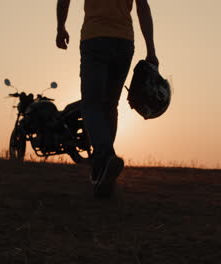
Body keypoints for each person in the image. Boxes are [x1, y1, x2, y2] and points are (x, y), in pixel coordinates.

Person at [56, 0, 159, 197]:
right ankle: (102, 170)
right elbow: (142, 8)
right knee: (110, 106)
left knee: (91, 104)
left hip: (95, 39)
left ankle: (104, 155)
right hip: (124, 42)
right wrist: (151, 50)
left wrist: (61, 27)